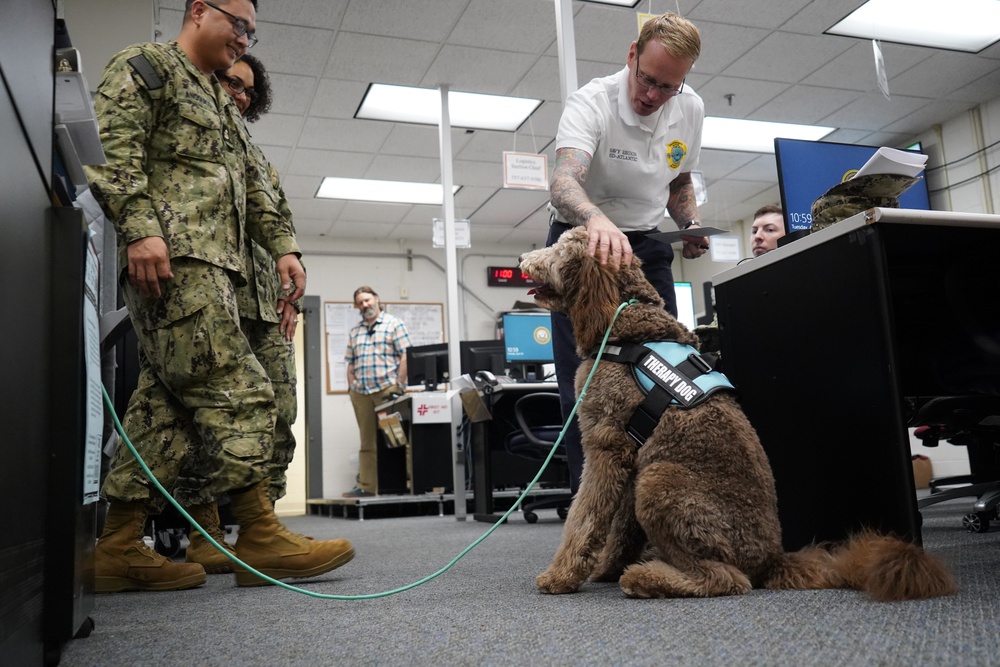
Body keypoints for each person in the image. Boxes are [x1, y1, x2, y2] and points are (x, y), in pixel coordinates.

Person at [85, 0, 353, 592]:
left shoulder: (220, 107)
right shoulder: (145, 65)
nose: (244, 37)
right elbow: (112, 147)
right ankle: (258, 531)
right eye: (238, 24)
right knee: (240, 388)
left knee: (165, 411)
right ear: (199, 11)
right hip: (178, 260)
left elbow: (254, 188)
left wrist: (284, 247)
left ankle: (119, 545)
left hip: (220, 271)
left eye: (252, 31)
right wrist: (140, 226)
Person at [545, 12, 710, 493]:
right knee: (585, 384)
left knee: (664, 370)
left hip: (647, 243)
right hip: (583, 240)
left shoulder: (691, 109)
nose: (653, 95)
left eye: (668, 87)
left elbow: (679, 179)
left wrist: (690, 222)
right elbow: (564, 181)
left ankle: (659, 493)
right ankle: (592, 506)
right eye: (648, 79)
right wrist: (595, 218)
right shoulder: (591, 102)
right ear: (631, 55)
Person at [171, 52, 304, 574]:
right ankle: (204, 533)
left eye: (248, 90)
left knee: (279, 412)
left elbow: (280, 230)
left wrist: (287, 296)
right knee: (212, 414)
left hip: (265, 305)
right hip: (212, 292)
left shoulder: (259, 162)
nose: (239, 94)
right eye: (230, 82)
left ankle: (260, 527)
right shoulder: (198, 149)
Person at [343, 286, 413, 497]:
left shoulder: (394, 325)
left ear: (377, 299)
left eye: (367, 300)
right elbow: (350, 363)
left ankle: (409, 483)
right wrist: (352, 385)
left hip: (386, 392)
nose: (365, 305)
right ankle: (367, 486)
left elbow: (406, 355)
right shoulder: (355, 331)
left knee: (396, 437)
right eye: (360, 302)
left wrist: (399, 383)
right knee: (367, 442)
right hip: (361, 394)